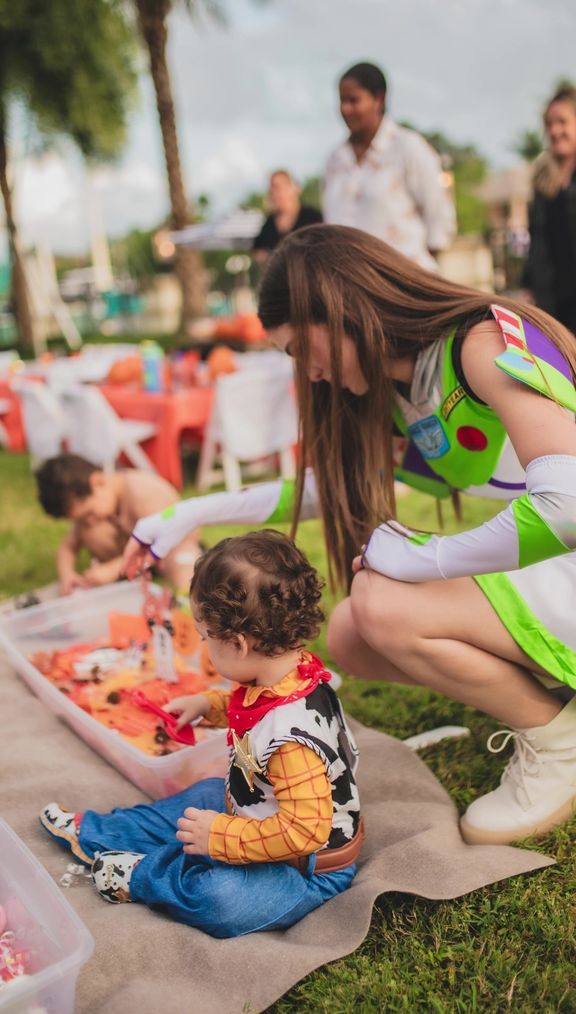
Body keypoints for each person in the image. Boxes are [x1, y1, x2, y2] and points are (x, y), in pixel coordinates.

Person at [121, 224, 576, 848]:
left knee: (382, 603)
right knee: (352, 636)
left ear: (337, 310)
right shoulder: (396, 382)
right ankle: (550, 692)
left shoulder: (482, 340)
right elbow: (321, 487)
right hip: (560, 573)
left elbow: (566, 506)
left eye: (298, 350)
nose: (309, 372)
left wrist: (430, 556)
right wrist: (188, 513)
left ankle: (557, 738)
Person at [40, 530, 362, 938]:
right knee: (197, 800)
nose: (205, 645)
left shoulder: (292, 746)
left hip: (304, 868)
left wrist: (221, 836)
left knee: (220, 898)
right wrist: (208, 705)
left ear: (239, 643)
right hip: (255, 814)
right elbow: (255, 707)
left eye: (206, 637)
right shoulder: (287, 672)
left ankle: (141, 875)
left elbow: (303, 832)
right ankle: (97, 834)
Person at [322, 62, 455, 270]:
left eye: (353, 100)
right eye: (342, 101)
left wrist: (415, 279)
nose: (345, 109)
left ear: (378, 99)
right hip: (351, 288)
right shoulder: (335, 160)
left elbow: (438, 216)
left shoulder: (407, 147)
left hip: (405, 284)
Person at [35, 453, 201, 596]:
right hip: (136, 554)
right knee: (91, 532)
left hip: (172, 546)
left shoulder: (143, 493)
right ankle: (131, 574)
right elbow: (68, 547)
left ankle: (186, 599)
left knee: (183, 565)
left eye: (89, 514)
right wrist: (67, 576)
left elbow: (164, 538)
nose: (89, 521)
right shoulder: (99, 503)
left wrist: (113, 568)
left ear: (97, 482)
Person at [523, 85, 576, 334]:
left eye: (562, 122)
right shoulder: (542, 181)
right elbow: (536, 242)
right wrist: (528, 285)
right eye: (549, 124)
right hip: (554, 305)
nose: (555, 131)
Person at [252, 169, 322, 262]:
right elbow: (258, 252)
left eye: (278, 187)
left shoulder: (312, 217)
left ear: (295, 188)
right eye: (272, 188)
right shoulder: (269, 223)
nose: (274, 193)